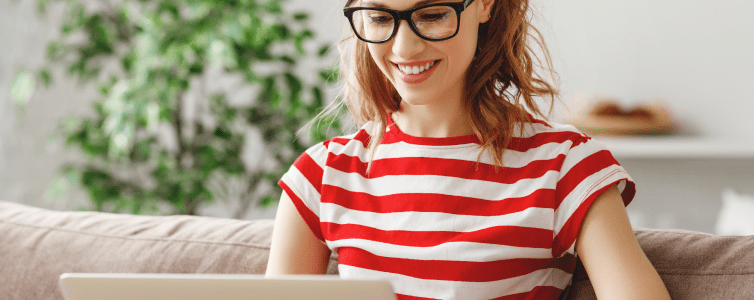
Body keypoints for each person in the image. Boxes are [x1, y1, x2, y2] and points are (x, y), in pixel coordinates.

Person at [265, 0, 671, 299]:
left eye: (432, 14)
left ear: (483, 5)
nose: (404, 48)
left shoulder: (566, 166)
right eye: (380, 18)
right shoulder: (319, 176)